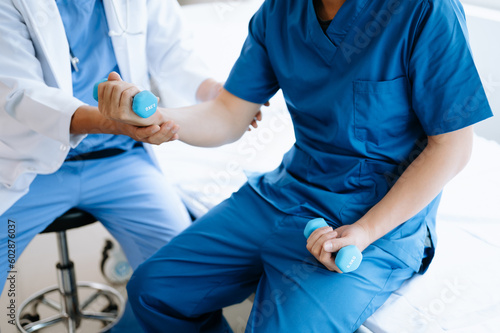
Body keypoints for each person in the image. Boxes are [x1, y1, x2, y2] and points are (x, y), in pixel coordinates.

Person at [98, 0, 493, 331]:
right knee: (154, 289)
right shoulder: (280, 11)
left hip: (376, 219)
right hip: (288, 192)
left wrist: (364, 232)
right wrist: (160, 119)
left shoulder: (423, 11)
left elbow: (453, 147)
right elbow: (228, 113)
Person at [0, 0, 257, 331]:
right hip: (30, 165)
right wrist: (113, 122)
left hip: (120, 159)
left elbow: (175, 55)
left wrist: (218, 94)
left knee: (177, 278)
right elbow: (20, 94)